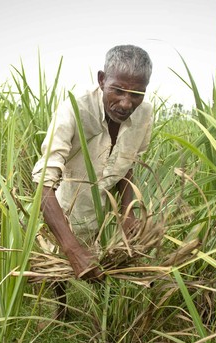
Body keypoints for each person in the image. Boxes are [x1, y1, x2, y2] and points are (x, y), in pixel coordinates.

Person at [32, 44, 153, 318]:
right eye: (118, 90)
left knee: (103, 267)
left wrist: (127, 212)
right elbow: (44, 184)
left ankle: (100, 315)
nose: (126, 103)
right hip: (66, 204)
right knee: (60, 264)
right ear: (102, 79)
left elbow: (128, 165)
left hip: (105, 209)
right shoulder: (74, 109)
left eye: (136, 94)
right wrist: (72, 248)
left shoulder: (145, 114)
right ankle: (60, 310)